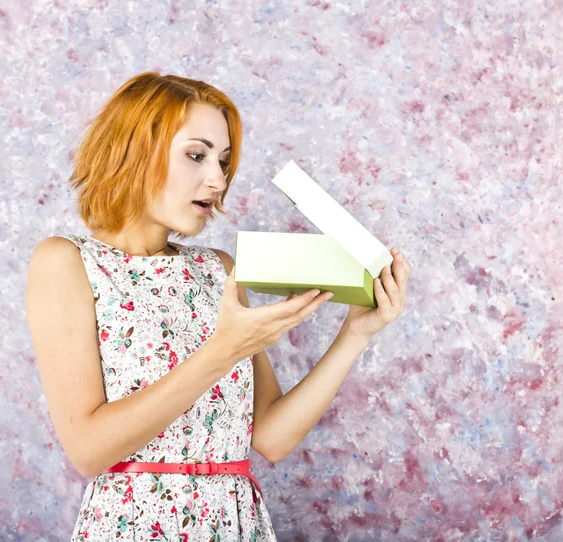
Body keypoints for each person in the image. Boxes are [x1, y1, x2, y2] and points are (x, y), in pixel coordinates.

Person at [24, 72, 412, 541]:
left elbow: (270, 436)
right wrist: (223, 351)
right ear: (133, 151)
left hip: (235, 524)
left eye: (223, 161)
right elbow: (87, 450)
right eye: (196, 155)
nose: (218, 179)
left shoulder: (218, 270)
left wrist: (356, 335)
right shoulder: (67, 263)